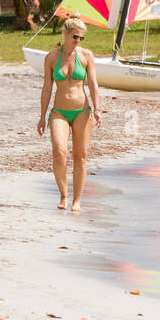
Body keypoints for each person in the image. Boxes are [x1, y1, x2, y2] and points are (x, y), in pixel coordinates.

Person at [36, 12, 103, 211]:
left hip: (82, 111)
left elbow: (93, 84)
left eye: (81, 37)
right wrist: (42, 116)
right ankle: (64, 195)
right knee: (59, 152)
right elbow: (47, 88)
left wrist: (97, 109)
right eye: (75, 36)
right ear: (65, 34)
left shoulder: (86, 56)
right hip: (59, 112)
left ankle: (77, 200)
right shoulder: (51, 57)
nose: (78, 41)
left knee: (80, 156)